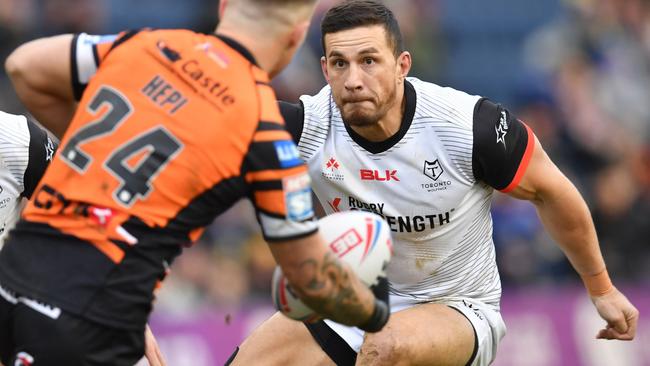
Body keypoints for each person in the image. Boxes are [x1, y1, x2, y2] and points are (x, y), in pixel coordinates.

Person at [229, 1, 640, 365]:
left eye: (369, 61)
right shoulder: (307, 126)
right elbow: (212, 136)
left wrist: (600, 288)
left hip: (460, 309)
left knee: (385, 348)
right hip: (357, 297)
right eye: (340, 63)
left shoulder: (469, 126)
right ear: (325, 70)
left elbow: (553, 193)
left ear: (402, 65)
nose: (353, 79)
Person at [0, 0, 391, 365]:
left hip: (13, 282)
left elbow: (25, 66)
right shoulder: (263, 130)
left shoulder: (148, 46)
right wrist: (372, 310)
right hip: (92, 316)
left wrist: (95, 150)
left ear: (224, 7)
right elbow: (310, 277)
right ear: (294, 38)